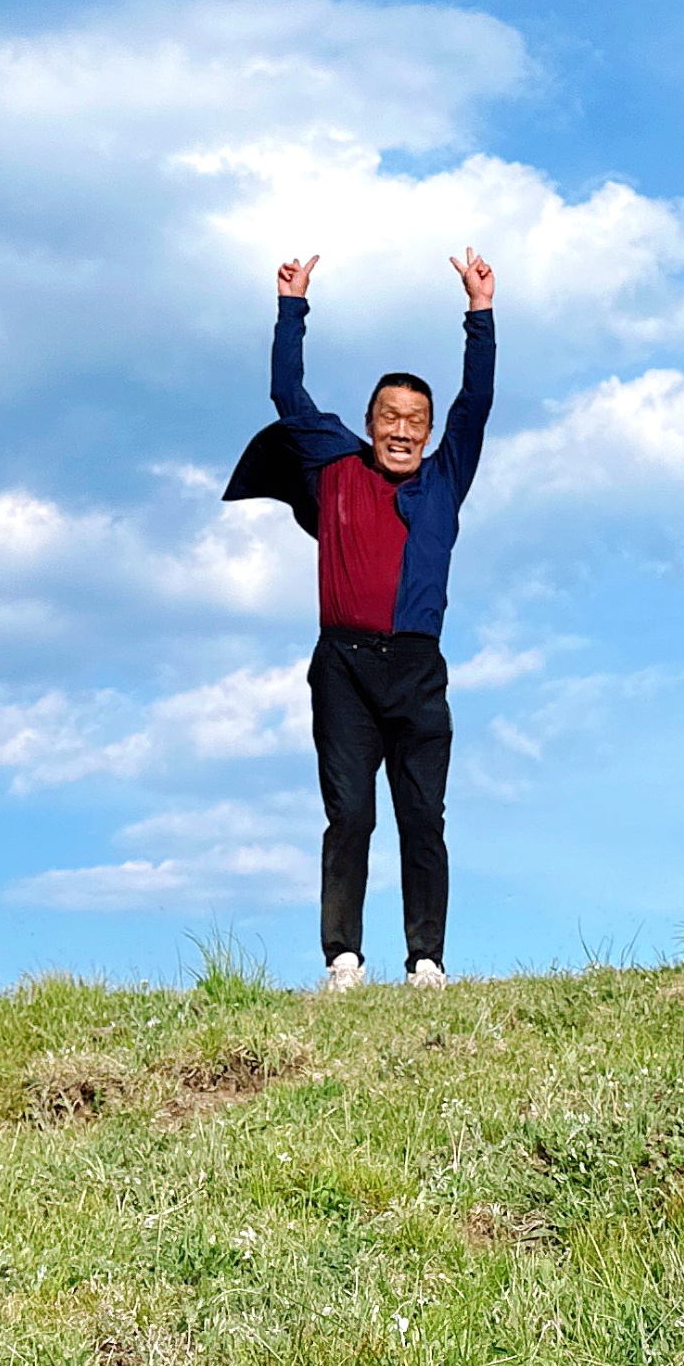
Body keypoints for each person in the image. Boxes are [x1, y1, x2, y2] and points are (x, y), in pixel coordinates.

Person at [262, 249, 494, 991]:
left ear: (427, 432)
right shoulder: (336, 466)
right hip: (343, 666)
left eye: (415, 421)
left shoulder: (444, 479)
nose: (403, 429)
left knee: (423, 818)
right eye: (389, 417)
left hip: (418, 668)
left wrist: (480, 313)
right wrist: (292, 306)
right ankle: (343, 959)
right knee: (351, 815)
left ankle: (426, 960)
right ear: (368, 423)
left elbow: (476, 403)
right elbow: (285, 392)